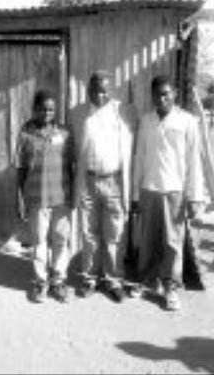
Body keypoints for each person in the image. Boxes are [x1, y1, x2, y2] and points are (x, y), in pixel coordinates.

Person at [132, 75, 205, 311]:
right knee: (147, 238)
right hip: (149, 189)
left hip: (175, 190)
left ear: (174, 94)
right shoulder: (146, 121)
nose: (161, 99)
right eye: (157, 94)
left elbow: (194, 160)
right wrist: (135, 193)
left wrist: (195, 196)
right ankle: (147, 281)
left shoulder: (188, 121)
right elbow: (140, 158)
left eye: (166, 94)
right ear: (151, 96)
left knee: (173, 242)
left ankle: (171, 287)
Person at [73, 71, 137, 303]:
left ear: (112, 90)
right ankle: (89, 278)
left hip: (115, 181)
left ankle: (113, 280)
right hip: (88, 180)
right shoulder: (78, 113)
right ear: (88, 90)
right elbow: (73, 151)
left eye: (104, 91)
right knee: (89, 233)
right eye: (94, 90)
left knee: (115, 233)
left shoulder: (125, 112)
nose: (99, 95)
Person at [15, 90, 75, 303]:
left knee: (60, 241)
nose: (47, 113)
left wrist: (73, 194)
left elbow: (72, 165)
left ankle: (58, 281)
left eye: (51, 109)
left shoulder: (65, 132)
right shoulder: (25, 133)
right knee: (39, 241)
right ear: (35, 109)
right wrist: (20, 197)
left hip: (62, 196)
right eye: (42, 109)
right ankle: (41, 282)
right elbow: (21, 167)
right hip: (36, 197)